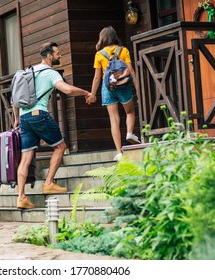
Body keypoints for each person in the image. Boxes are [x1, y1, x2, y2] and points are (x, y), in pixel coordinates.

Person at [13, 42, 91, 209]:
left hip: (24, 117)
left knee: (26, 158)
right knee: (60, 146)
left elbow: (15, 96)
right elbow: (67, 90)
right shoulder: (50, 73)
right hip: (39, 115)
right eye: (57, 53)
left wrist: (16, 118)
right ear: (49, 56)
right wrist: (85, 92)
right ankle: (48, 182)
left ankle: (21, 197)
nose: (59, 55)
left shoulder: (29, 71)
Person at [87, 26, 141, 161]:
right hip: (123, 85)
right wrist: (137, 87)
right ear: (114, 36)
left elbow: (97, 77)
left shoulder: (99, 54)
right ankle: (129, 133)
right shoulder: (124, 50)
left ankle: (118, 152)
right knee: (130, 112)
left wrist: (92, 95)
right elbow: (131, 70)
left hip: (108, 87)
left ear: (102, 38)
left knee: (114, 120)